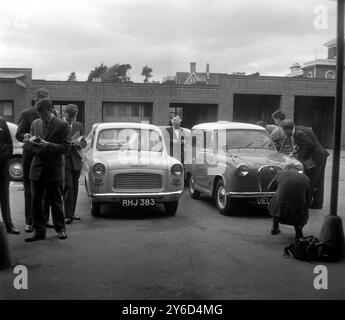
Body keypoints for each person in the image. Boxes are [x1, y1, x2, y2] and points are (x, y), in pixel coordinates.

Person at [24, 98, 70, 242]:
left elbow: (65, 148)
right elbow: (31, 147)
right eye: (38, 113)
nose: (40, 116)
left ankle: (61, 229)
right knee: (36, 202)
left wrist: (46, 144)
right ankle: (39, 231)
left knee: (56, 200)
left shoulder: (62, 125)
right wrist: (28, 141)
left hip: (53, 169)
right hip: (37, 168)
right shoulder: (35, 124)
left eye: (42, 113)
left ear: (49, 110)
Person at [16, 88, 50, 233]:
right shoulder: (26, 113)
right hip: (30, 157)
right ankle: (29, 222)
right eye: (44, 100)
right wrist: (27, 136)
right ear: (37, 100)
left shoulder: (52, 114)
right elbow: (19, 134)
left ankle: (43, 220)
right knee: (30, 191)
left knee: (46, 191)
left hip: (46, 158)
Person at [280, 119, 328, 209]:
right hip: (318, 156)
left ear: (287, 129)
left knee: (311, 178)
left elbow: (309, 145)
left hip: (316, 157)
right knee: (318, 179)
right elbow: (305, 144)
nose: (284, 133)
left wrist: (301, 157)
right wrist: (297, 150)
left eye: (283, 131)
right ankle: (317, 204)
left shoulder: (298, 133)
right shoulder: (297, 130)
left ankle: (307, 202)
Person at [268, 166, 311, 239]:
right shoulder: (306, 178)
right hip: (297, 216)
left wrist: (276, 179)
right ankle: (298, 228)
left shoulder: (281, 173)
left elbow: (269, 187)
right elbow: (308, 200)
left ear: (287, 169)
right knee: (301, 204)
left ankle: (275, 227)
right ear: (297, 170)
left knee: (275, 198)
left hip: (279, 214)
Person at [63, 104, 87, 224]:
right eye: (70, 116)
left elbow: (84, 142)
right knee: (68, 187)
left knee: (75, 188)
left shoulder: (79, 125)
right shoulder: (60, 124)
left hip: (76, 161)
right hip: (65, 161)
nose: (72, 119)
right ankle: (67, 214)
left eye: (74, 116)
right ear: (65, 114)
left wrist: (79, 144)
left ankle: (72, 212)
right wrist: (69, 144)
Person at [0, 118, 20, 234]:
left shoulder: (2, 123)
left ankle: (9, 224)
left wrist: (4, 158)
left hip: (2, 166)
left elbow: (9, 145)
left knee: (4, 196)